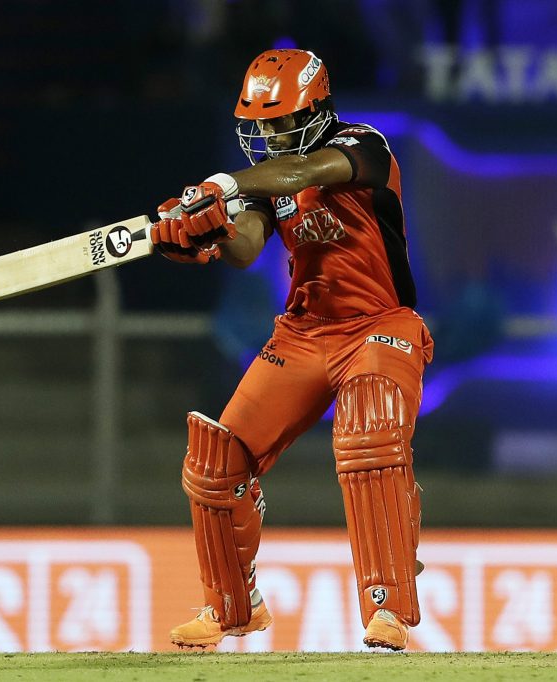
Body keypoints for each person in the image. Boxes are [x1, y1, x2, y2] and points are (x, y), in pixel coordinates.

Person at [151, 48, 434, 651]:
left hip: (379, 326)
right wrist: (205, 234)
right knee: (215, 461)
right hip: (304, 334)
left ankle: (388, 608)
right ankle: (232, 607)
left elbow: (302, 173)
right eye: (261, 125)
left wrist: (222, 185)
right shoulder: (270, 179)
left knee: (370, 434)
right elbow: (247, 246)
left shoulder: (363, 146)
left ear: (316, 109)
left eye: (279, 121)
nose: (270, 135)